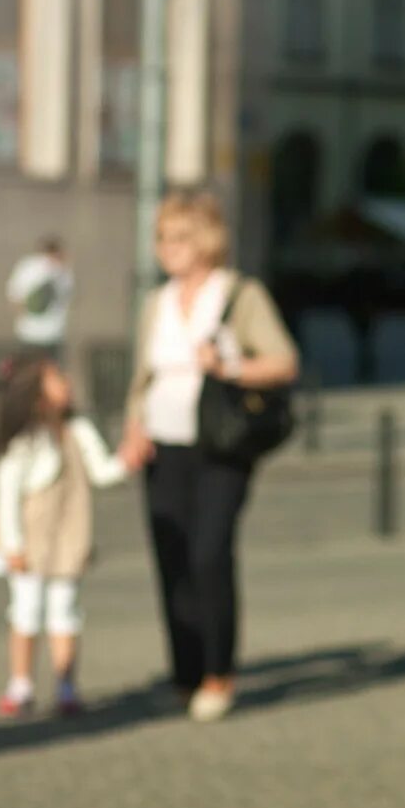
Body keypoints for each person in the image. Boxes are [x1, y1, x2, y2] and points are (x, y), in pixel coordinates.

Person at [123, 191, 299, 723]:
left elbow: (283, 362)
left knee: (209, 553)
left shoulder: (239, 294)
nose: (166, 248)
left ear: (205, 241)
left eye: (178, 237)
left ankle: (220, 672)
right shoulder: (157, 302)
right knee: (172, 559)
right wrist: (133, 428)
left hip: (220, 445)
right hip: (163, 443)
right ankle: (186, 672)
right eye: (161, 238)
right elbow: (142, 378)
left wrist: (228, 365)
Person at [0, 354, 149, 716]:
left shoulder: (79, 430)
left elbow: (102, 471)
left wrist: (127, 461)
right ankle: (21, 683)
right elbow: (6, 494)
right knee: (26, 609)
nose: (67, 382)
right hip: (32, 541)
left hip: (68, 538)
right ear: (36, 394)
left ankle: (66, 685)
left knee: (65, 612)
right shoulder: (27, 441)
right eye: (56, 378)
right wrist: (14, 544)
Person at [6, 237, 74, 361]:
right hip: (38, 335)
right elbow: (15, 297)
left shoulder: (63, 272)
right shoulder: (31, 267)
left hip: (47, 335)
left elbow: (14, 296)